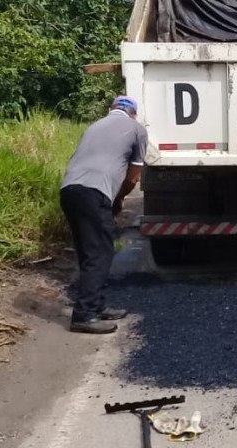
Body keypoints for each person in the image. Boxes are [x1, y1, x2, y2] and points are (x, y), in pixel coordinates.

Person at [60, 95, 148, 334]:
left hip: (68, 190)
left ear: (112, 110)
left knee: (88, 251)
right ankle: (84, 315)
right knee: (100, 252)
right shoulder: (137, 129)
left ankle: (96, 305)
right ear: (133, 114)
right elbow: (133, 176)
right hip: (93, 192)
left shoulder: (94, 126)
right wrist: (119, 197)